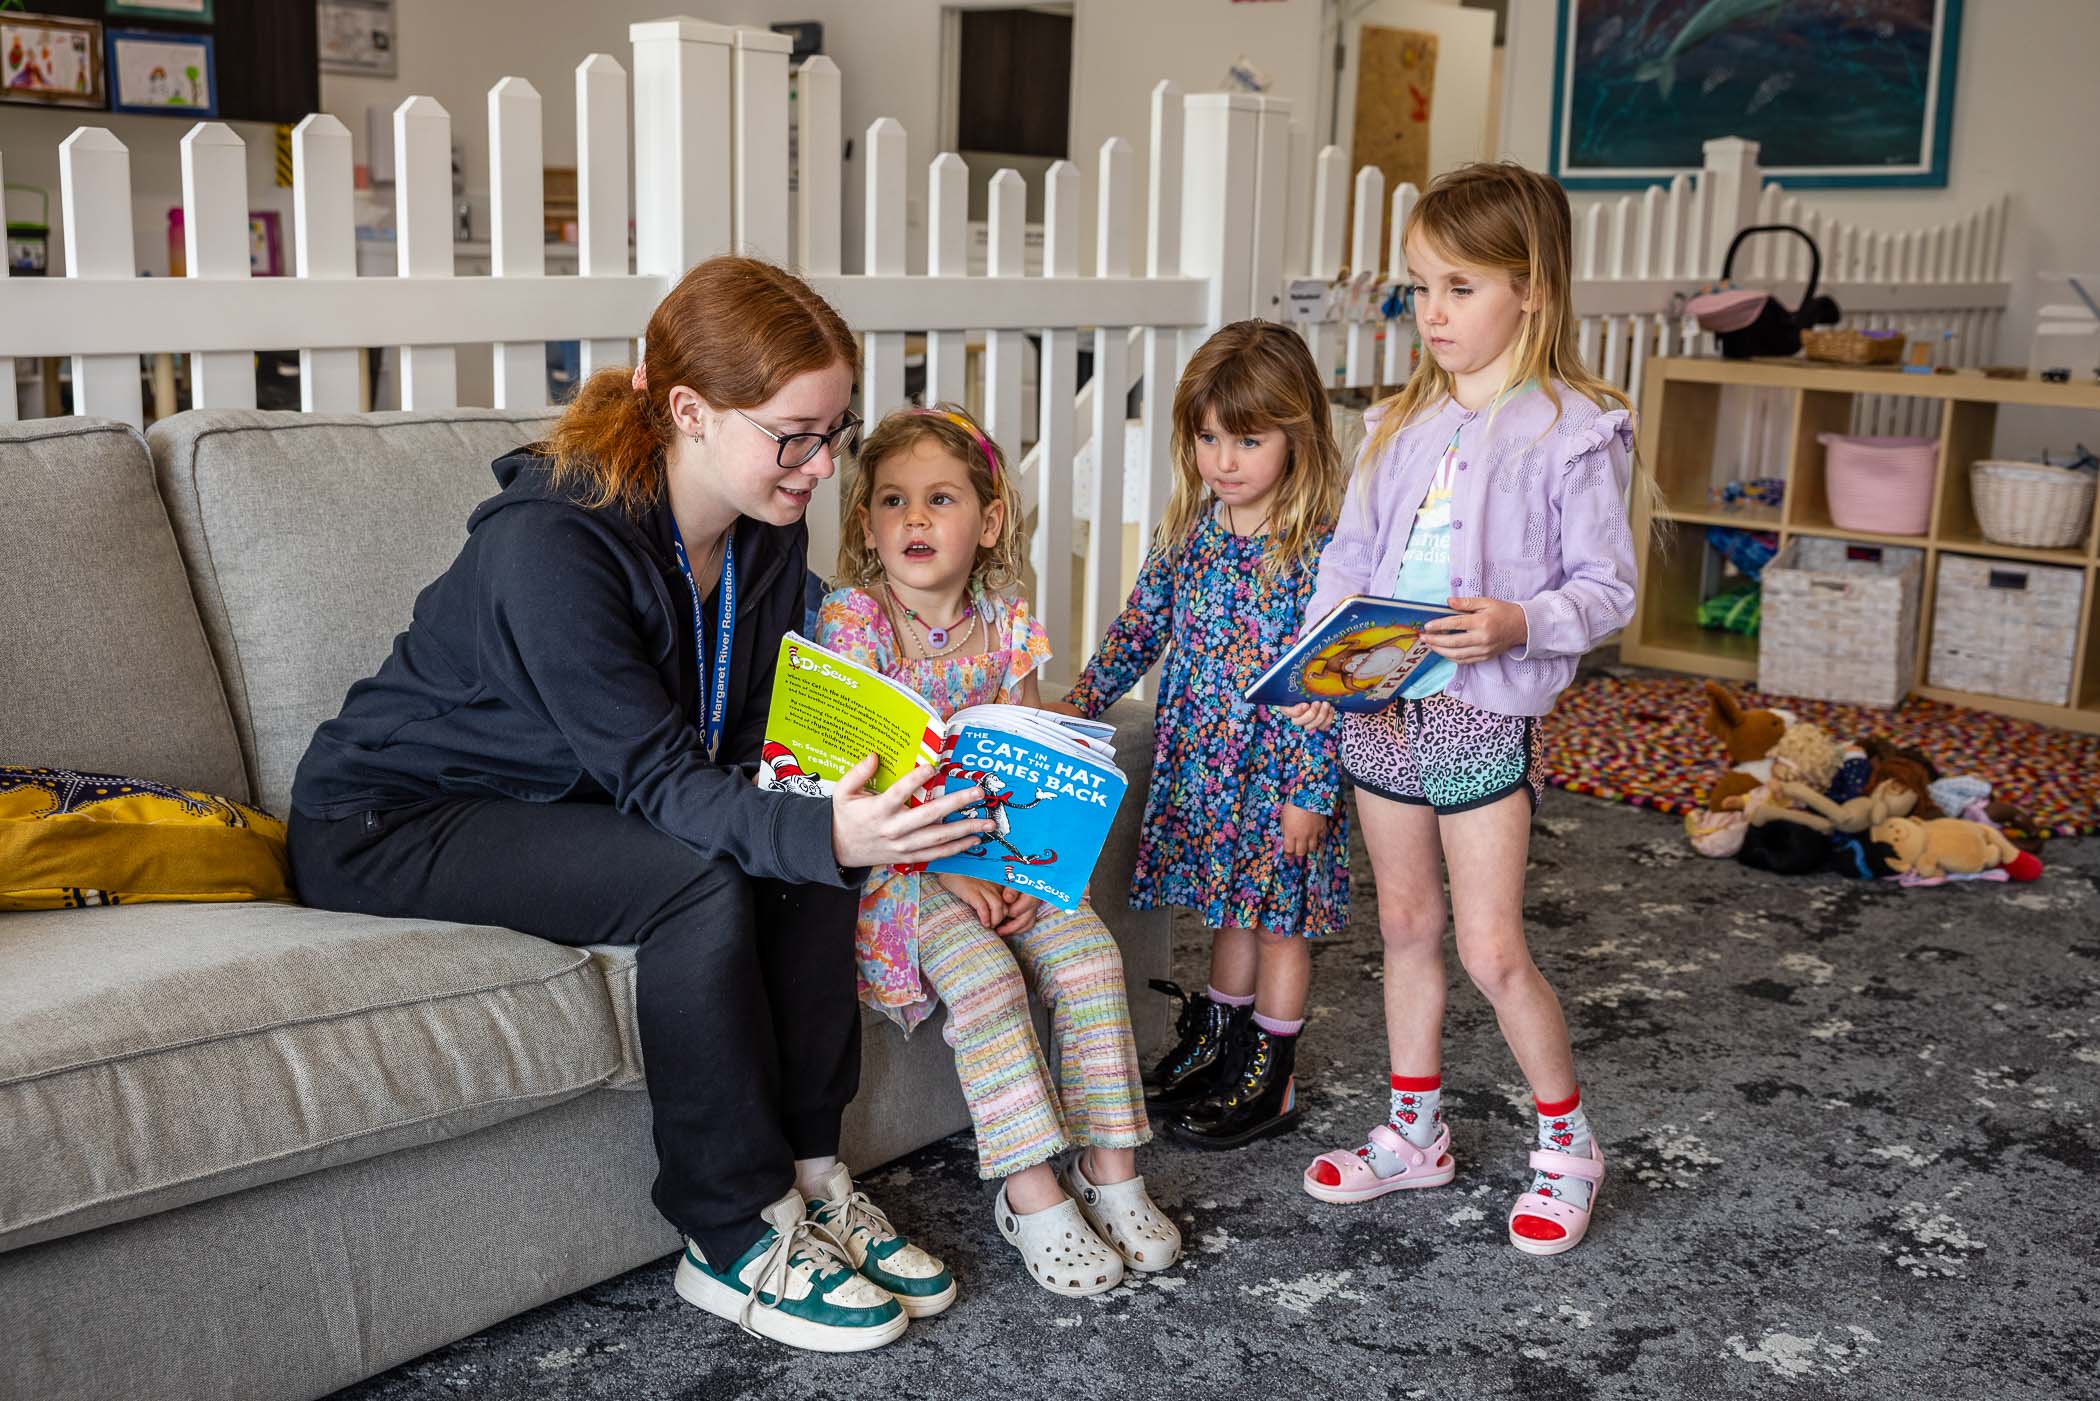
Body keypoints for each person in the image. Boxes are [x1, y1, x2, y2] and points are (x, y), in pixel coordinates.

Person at [287, 256, 987, 1352]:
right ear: (690, 411)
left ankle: (811, 1176)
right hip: (395, 818)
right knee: (701, 878)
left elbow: (754, 738)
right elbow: (660, 781)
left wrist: (863, 792)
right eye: (791, 433)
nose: (818, 465)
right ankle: (729, 1234)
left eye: (834, 430)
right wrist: (815, 824)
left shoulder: (765, 520)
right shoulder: (550, 544)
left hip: (572, 797)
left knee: (802, 838)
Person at [1288, 162, 1638, 1257]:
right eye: (1420, 290)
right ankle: (1415, 1134)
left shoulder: (1572, 430)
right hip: (1382, 715)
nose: (1431, 314)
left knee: (1490, 949)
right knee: (1403, 928)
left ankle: (1569, 1143)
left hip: (1480, 718)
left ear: (1529, 290)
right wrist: (1317, 668)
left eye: (1459, 288)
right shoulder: (1401, 421)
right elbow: (1347, 564)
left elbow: (1608, 588)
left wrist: (1518, 623)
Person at [813, 404, 1180, 1298]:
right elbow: (848, 785)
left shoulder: (1007, 622)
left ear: (990, 520)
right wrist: (944, 865)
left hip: (1002, 858)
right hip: (900, 870)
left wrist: (1023, 871)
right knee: (987, 978)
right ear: (866, 524)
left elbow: (1036, 767)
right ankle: (1031, 1190)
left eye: (940, 498)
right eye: (892, 502)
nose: (915, 519)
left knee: (1090, 953)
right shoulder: (856, 621)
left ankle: (1112, 1166)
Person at [1051, 321, 1350, 1150]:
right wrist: (1082, 697)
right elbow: (1142, 625)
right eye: (1208, 437)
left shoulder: (1319, 548)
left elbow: (1332, 682)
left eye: (1248, 440)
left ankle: (1272, 1075)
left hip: (1281, 770)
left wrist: (1311, 790)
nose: (1223, 460)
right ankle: (1223, 1046)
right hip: (1208, 763)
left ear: (1298, 434)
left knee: (1280, 920)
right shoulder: (1193, 530)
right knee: (1229, 911)